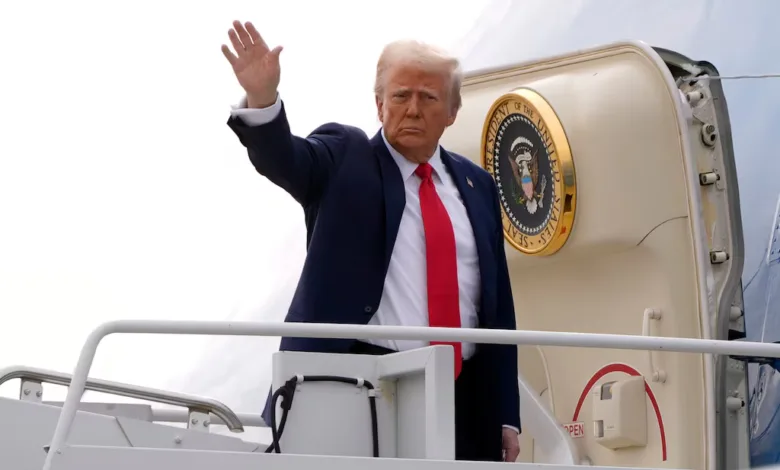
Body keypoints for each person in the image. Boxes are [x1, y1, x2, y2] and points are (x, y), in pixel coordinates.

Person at [221, 20, 521, 462]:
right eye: (400, 96)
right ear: (379, 104)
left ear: (452, 111)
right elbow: (284, 159)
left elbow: (497, 311)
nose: (413, 109)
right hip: (359, 386)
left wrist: (506, 414)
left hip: (465, 400)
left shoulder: (478, 186)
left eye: (428, 97)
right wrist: (263, 98)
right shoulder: (346, 157)